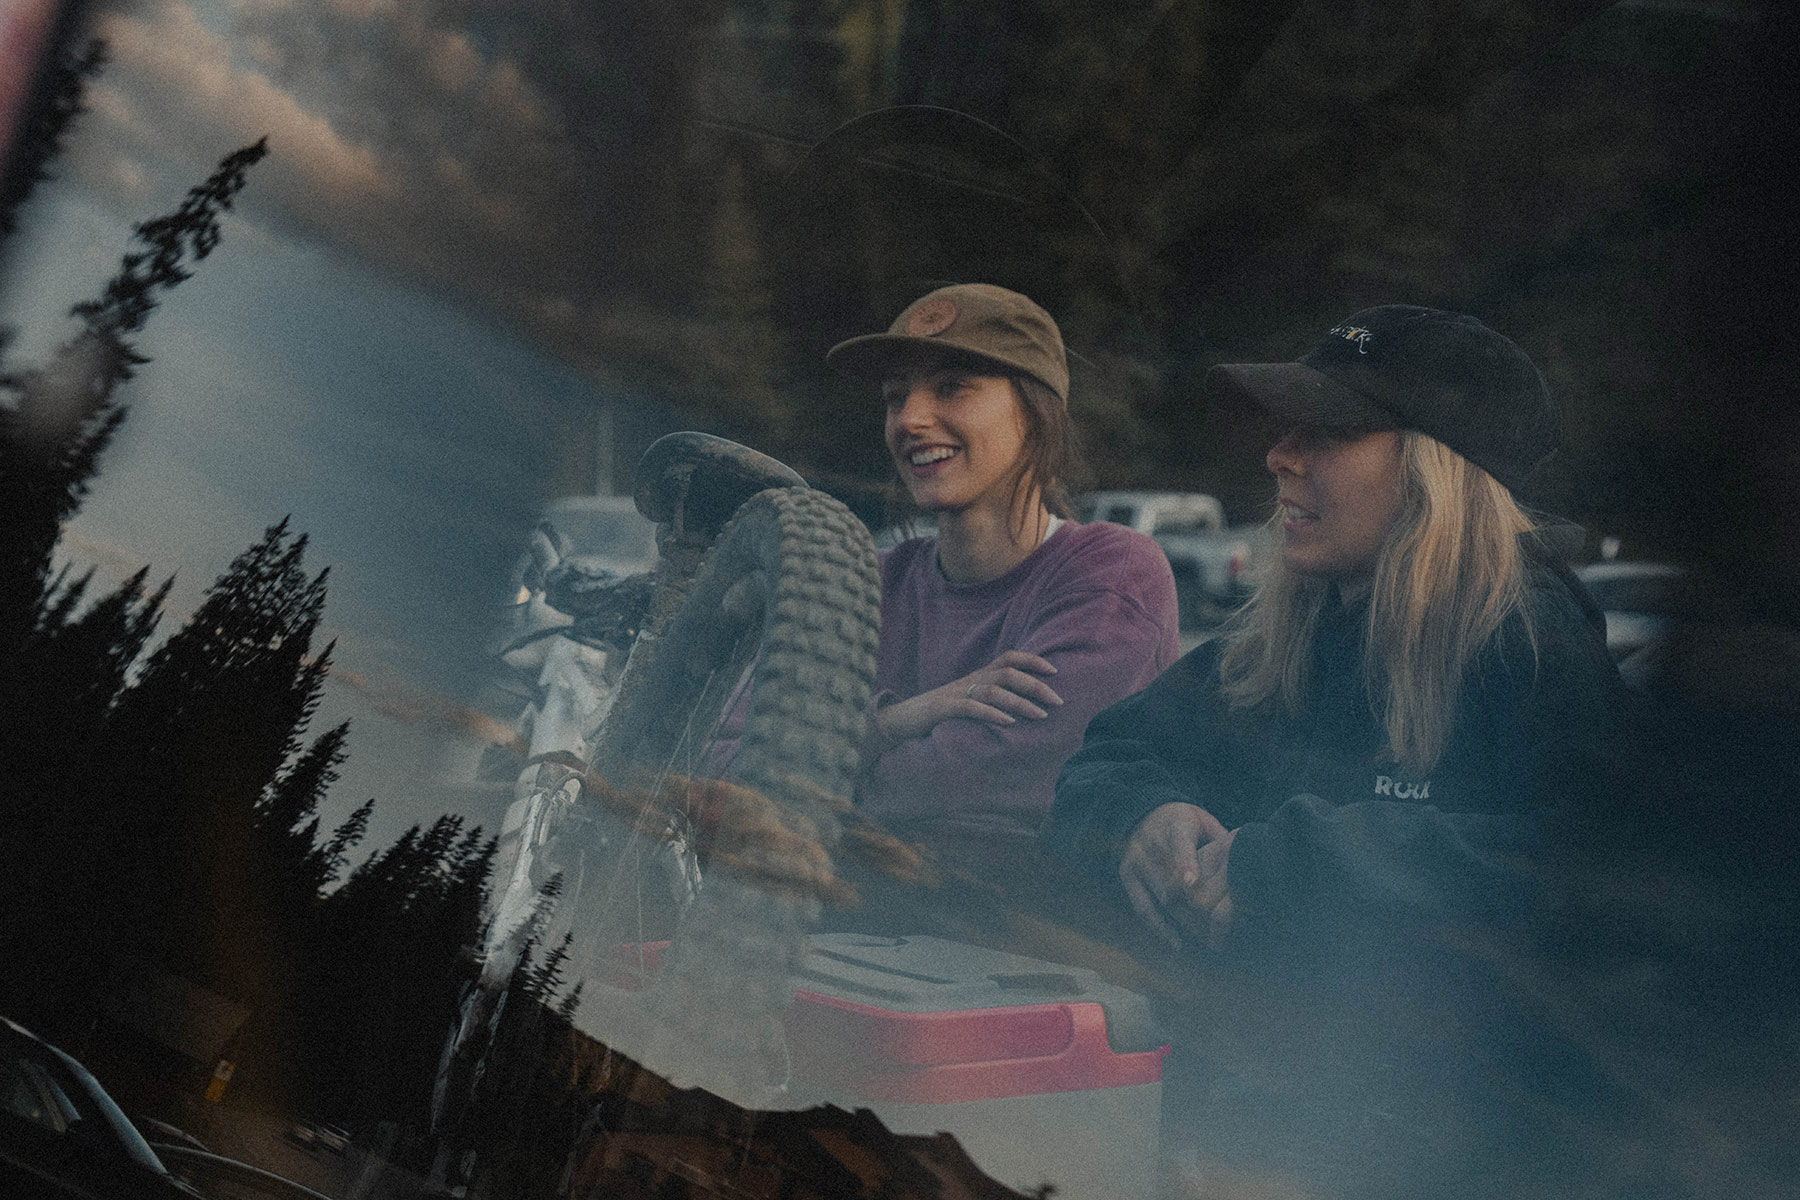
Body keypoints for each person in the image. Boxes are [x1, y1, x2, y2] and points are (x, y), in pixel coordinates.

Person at [1045, 305, 1628, 1195]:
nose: (1280, 454)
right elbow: (1107, 758)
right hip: (1250, 1127)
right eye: (1286, 429)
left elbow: (1592, 880)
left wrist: (1293, 864)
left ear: (1438, 472)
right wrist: (1140, 818)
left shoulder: (1530, 642)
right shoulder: (1291, 637)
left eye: (1331, 431)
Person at [824, 282, 1180, 885]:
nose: (909, 419)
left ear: (1036, 414)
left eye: (953, 387)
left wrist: (820, 780)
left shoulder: (1112, 572)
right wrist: (903, 718)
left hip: (1025, 951)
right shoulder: (870, 583)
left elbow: (974, 789)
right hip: (846, 927)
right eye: (893, 398)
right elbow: (731, 758)